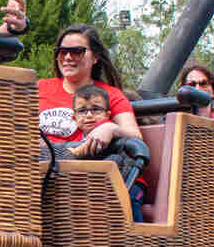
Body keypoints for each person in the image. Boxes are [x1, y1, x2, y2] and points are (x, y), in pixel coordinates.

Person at [37, 24, 142, 153]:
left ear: (95, 57)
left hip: (86, 168)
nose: (68, 57)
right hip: (36, 166)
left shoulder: (111, 94)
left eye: (77, 52)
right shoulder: (39, 88)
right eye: (62, 52)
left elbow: (135, 136)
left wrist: (110, 128)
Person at [61, 84, 146, 221]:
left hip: (128, 180)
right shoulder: (76, 140)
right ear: (74, 118)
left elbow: (133, 140)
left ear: (107, 114)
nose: (89, 115)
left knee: (128, 199)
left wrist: (113, 130)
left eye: (96, 109)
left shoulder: (111, 133)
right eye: (82, 111)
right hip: (93, 185)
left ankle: (136, 236)